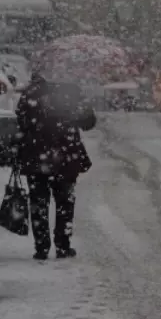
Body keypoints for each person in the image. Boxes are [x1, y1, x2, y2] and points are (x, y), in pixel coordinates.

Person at [14, 73, 97, 260]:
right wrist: (70, 118)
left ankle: (41, 247)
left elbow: (20, 122)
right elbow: (89, 122)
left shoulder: (31, 93)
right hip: (66, 155)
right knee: (65, 203)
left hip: (36, 155)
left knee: (38, 203)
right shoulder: (72, 91)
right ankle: (63, 245)